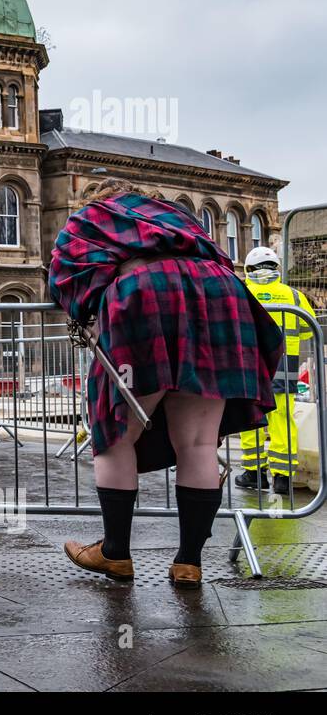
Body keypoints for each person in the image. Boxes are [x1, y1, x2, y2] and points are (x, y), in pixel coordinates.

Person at [49, 180, 285, 588]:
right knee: (197, 442)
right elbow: (221, 258)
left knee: (116, 432)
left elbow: (64, 277)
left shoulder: (92, 217)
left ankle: (116, 554)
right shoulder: (179, 219)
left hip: (146, 295)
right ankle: (188, 563)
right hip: (219, 295)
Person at [235, 246, 315, 495]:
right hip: (283, 366)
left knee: (251, 417)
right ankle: (282, 478)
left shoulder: (241, 293)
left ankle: (254, 473)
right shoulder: (293, 296)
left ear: (248, 269)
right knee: (282, 420)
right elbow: (310, 328)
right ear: (276, 268)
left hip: (249, 366)